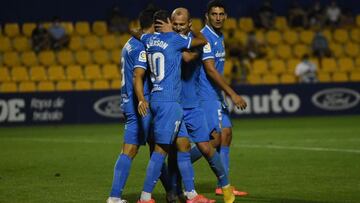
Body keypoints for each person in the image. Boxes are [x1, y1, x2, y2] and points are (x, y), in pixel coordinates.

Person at [133, 10, 212, 203]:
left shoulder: (149, 40)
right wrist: (192, 29)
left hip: (157, 100)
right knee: (160, 150)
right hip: (170, 102)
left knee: (184, 145)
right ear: (168, 22)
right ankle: (145, 197)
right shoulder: (175, 39)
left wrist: (150, 32)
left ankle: (191, 194)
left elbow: (135, 32)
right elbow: (202, 41)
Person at [170, 7, 237, 203]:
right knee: (185, 146)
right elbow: (194, 61)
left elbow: (195, 50)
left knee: (211, 144)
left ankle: (224, 185)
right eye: (175, 24)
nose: (178, 27)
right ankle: (188, 192)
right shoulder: (176, 42)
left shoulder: (200, 39)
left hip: (194, 102)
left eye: (182, 24)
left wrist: (192, 35)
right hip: (179, 103)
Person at [106, 8, 171, 203]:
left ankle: (172, 192)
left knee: (154, 148)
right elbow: (137, 76)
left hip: (130, 102)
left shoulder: (130, 44)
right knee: (137, 149)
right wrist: (142, 99)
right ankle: (115, 197)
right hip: (141, 106)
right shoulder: (142, 47)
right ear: (155, 24)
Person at [195, 0, 248, 197]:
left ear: (225, 16)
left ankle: (223, 185)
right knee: (214, 141)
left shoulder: (219, 36)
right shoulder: (205, 37)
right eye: (214, 14)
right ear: (207, 16)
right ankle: (177, 164)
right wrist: (232, 93)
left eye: (221, 14)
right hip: (206, 95)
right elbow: (209, 70)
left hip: (215, 94)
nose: (218, 17)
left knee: (226, 135)